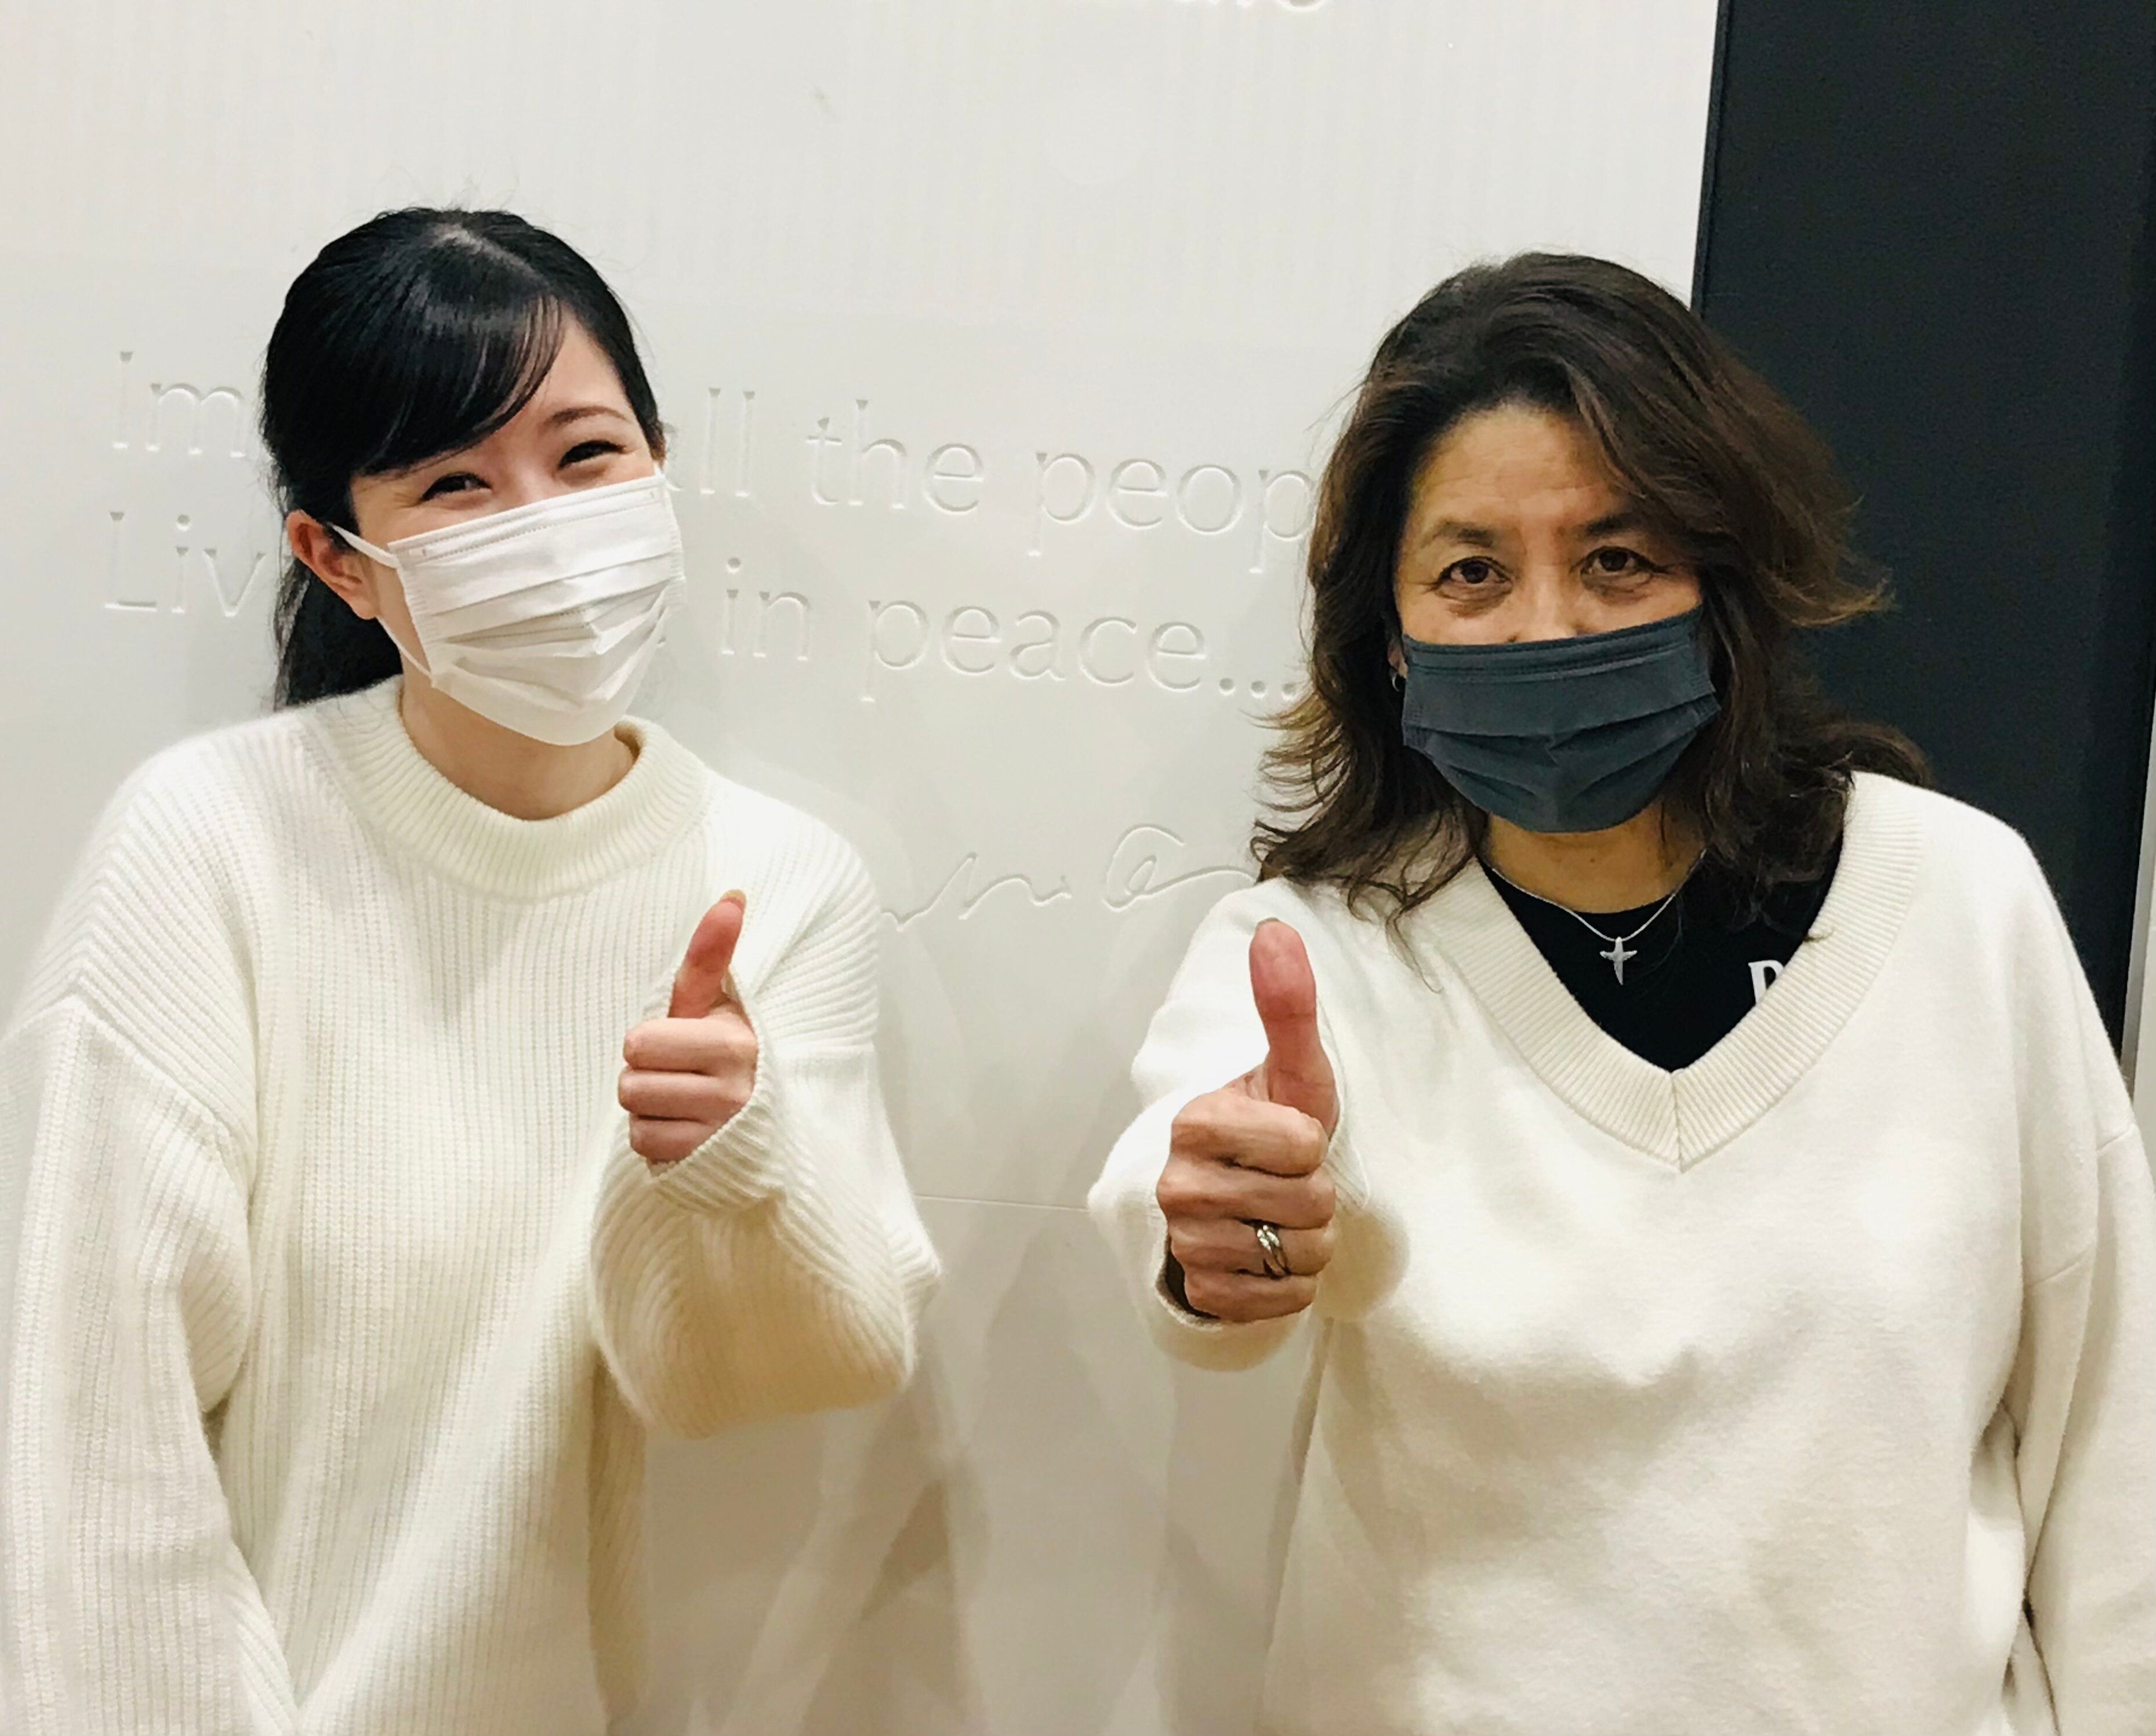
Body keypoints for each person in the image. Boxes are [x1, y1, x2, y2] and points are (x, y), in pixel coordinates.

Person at [1090, 253, 2156, 1735]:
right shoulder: (1311, 957)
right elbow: (1179, 1209)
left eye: (1616, 560)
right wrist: (1223, 1234)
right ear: (1386, 633)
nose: (1548, 629)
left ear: (1721, 586)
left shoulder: (1960, 902)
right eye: (1470, 573)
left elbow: (2113, 1435)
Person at [0, 208, 939, 1735]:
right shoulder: (209, 844)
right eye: (455, 484)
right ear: (337, 560)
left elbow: (771, 1381)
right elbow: (95, 1445)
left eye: (586, 456)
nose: (543, 528)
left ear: (659, 468)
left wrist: (731, 1163)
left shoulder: (779, 885)